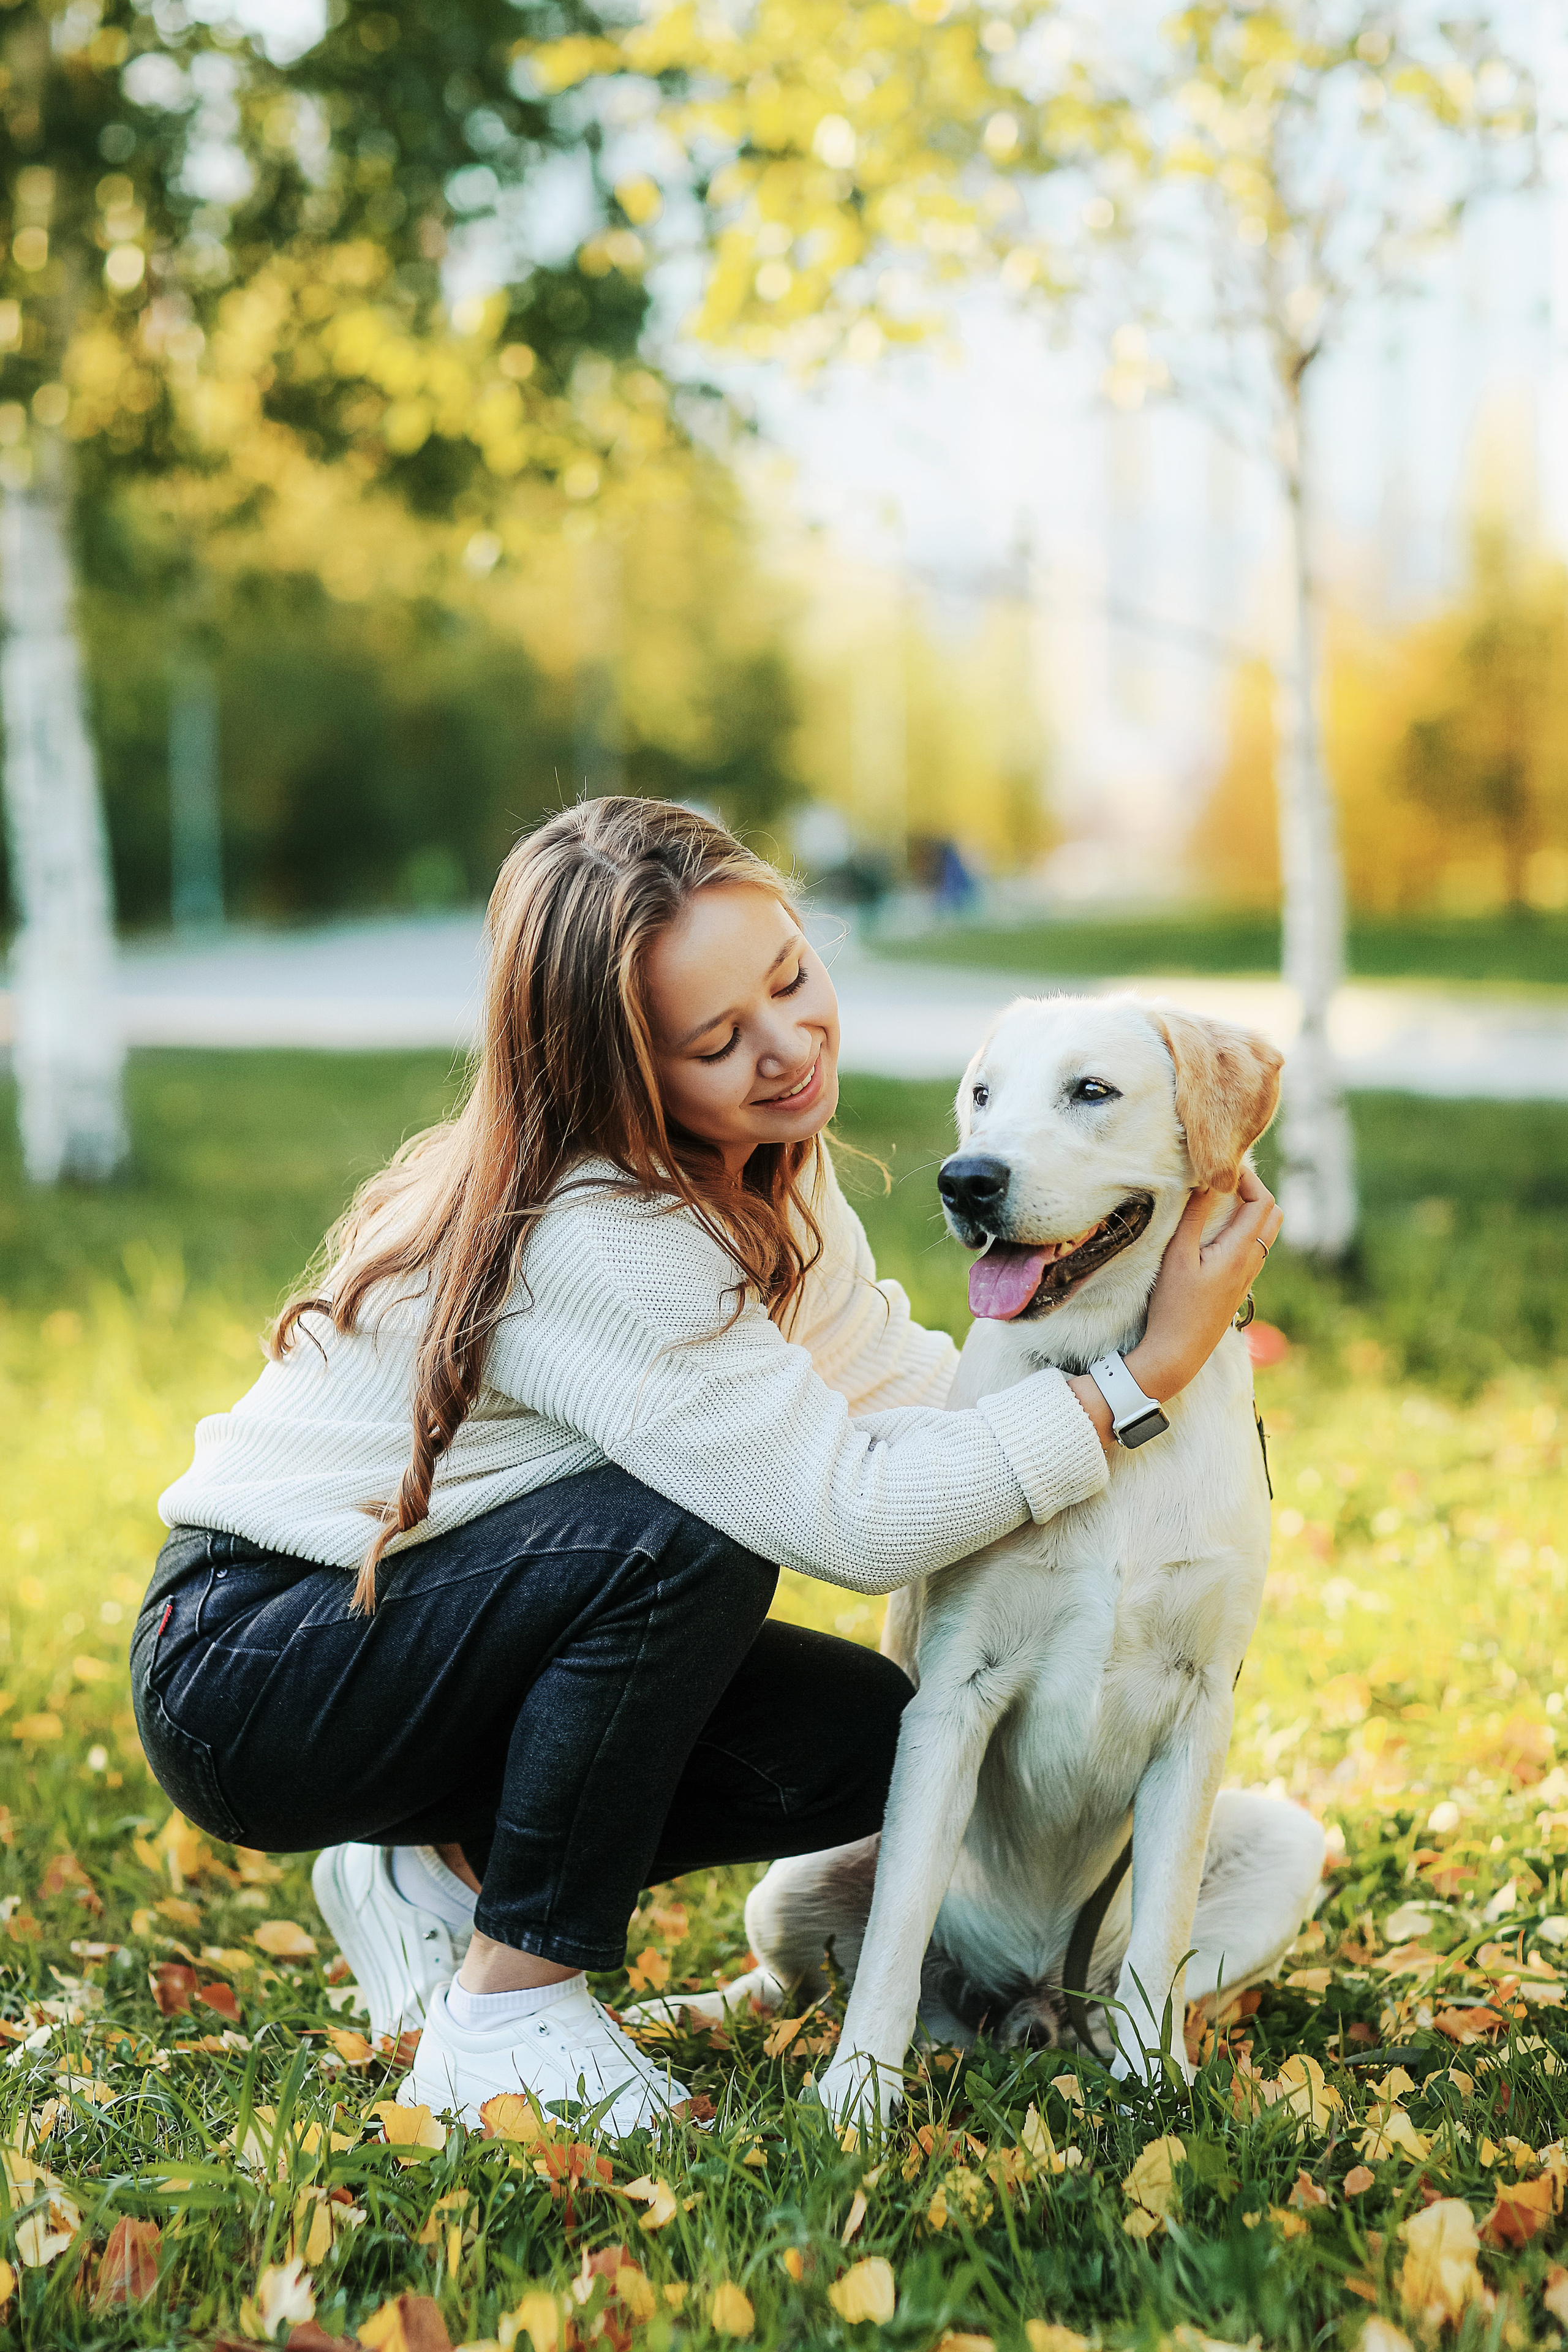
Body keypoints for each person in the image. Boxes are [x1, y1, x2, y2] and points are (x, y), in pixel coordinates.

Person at [134, 797, 1280, 2135]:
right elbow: (840, 1513)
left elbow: (904, 1387)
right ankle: (508, 2014)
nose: (788, 1047)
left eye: (791, 976)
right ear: (621, 1076)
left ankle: (437, 1872)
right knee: (685, 1531)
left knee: (851, 1743)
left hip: (424, 1616)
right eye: (718, 1041)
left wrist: (1157, 1432)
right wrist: (1134, 1387)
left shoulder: (766, 1170)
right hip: (256, 1664)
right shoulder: (599, 1230)